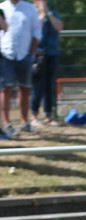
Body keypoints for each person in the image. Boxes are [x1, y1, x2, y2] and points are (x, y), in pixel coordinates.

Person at [0, 0, 41, 138]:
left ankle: (24, 122)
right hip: (5, 54)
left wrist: (31, 53)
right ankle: (7, 124)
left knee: (25, 88)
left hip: (24, 54)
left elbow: (36, 32)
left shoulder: (29, 8)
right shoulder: (2, 7)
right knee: (5, 89)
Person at [28, 0, 59, 127]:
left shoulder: (53, 13)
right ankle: (34, 115)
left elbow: (59, 27)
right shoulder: (31, 13)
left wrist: (48, 13)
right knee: (38, 86)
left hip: (52, 53)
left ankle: (48, 115)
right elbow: (36, 31)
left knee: (49, 86)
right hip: (38, 54)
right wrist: (41, 15)